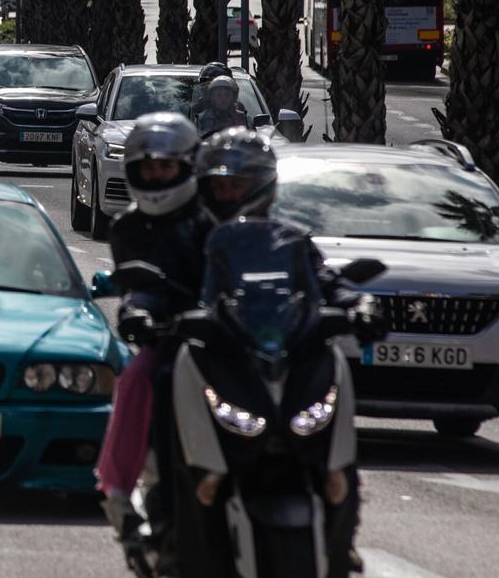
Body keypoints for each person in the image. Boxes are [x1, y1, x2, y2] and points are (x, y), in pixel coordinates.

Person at [187, 127, 377, 576]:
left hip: (283, 364)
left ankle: (341, 531)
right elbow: (165, 286)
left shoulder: (290, 242)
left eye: (238, 185)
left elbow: (328, 281)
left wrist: (359, 304)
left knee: (336, 434)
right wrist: (151, 312)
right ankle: (156, 495)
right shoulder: (192, 238)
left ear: (263, 188)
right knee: (153, 380)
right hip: (217, 360)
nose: (228, 194)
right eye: (220, 185)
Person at [96, 112, 207, 576]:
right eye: (148, 167)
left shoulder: (212, 216)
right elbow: (134, 285)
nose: (157, 175)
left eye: (166, 165)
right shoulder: (127, 228)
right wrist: (136, 314)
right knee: (139, 375)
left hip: (230, 338)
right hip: (169, 339)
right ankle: (118, 492)